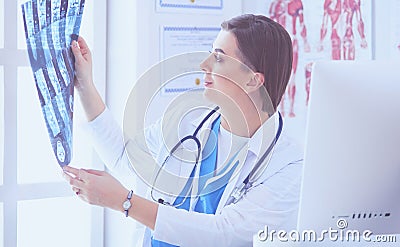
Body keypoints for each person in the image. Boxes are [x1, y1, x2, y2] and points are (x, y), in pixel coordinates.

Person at [63, 14, 303, 247]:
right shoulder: (186, 125)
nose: (204, 64)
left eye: (218, 58)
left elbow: (226, 234)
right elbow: (126, 158)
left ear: (253, 80)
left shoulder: (288, 164)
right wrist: (85, 85)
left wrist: (125, 202)